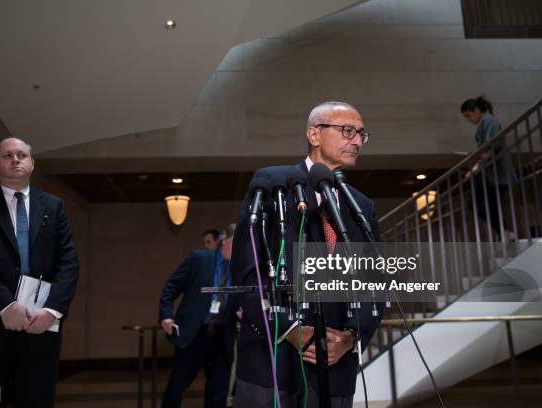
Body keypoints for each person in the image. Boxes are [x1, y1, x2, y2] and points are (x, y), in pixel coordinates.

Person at [231, 101, 381, 407]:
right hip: (272, 366)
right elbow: (249, 271)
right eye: (347, 131)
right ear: (314, 134)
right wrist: (290, 329)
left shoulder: (361, 205)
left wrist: (350, 337)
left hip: (336, 369)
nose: (356, 141)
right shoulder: (273, 185)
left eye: (361, 135)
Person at [0, 137, 80, 407]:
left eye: (22, 155)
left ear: (32, 164)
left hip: (39, 330)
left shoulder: (54, 207)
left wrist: (53, 311)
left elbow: (68, 262)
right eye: (7, 155)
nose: (15, 159)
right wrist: (5, 305)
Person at [159, 224, 236, 407]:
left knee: (218, 393)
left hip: (222, 335)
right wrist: (166, 316)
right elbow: (171, 287)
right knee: (176, 388)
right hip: (193, 334)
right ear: (224, 241)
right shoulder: (198, 258)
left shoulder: (241, 267)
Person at [461, 96, 518, 239]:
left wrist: (477, 166)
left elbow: (492, 146)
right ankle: (504, 232)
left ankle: (504, 232)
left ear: (477, 110)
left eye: (469, 115)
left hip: (495, 171)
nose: (469, 119)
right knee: (490, 204)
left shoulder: (488, 120)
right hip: (492, 171)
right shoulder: (486, 121)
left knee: (478, 202)